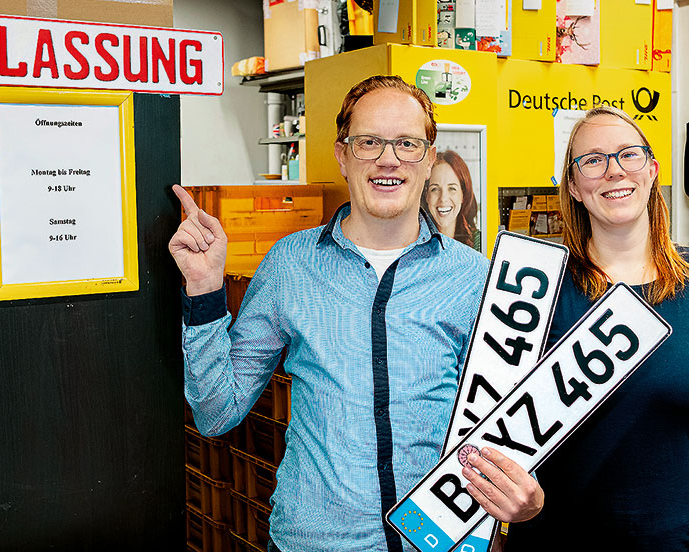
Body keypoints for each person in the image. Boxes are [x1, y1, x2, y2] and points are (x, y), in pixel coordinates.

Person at [170, 75, 543, 552]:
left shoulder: (476, 276)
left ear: (429, 158)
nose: (389, 159)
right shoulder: (290, 265)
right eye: (369, 142)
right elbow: (216, 412)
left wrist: (523, 498)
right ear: (343, 155)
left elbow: (512, 420)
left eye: (407, 143)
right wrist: (204, 291)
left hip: (444, 542)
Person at [506, 106, 689, 551]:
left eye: (629, 154)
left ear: (652, 169)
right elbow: (495, 428)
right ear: (573, 185)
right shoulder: (533, 291)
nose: (613, 171)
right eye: (592, 160)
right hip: (558, 540)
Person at [422, 149, 480, 250]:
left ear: (463, 194)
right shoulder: (415, 243)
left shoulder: (479, 242)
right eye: (435, 189)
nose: (443, 199)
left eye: (452, 188)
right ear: (426, 195)